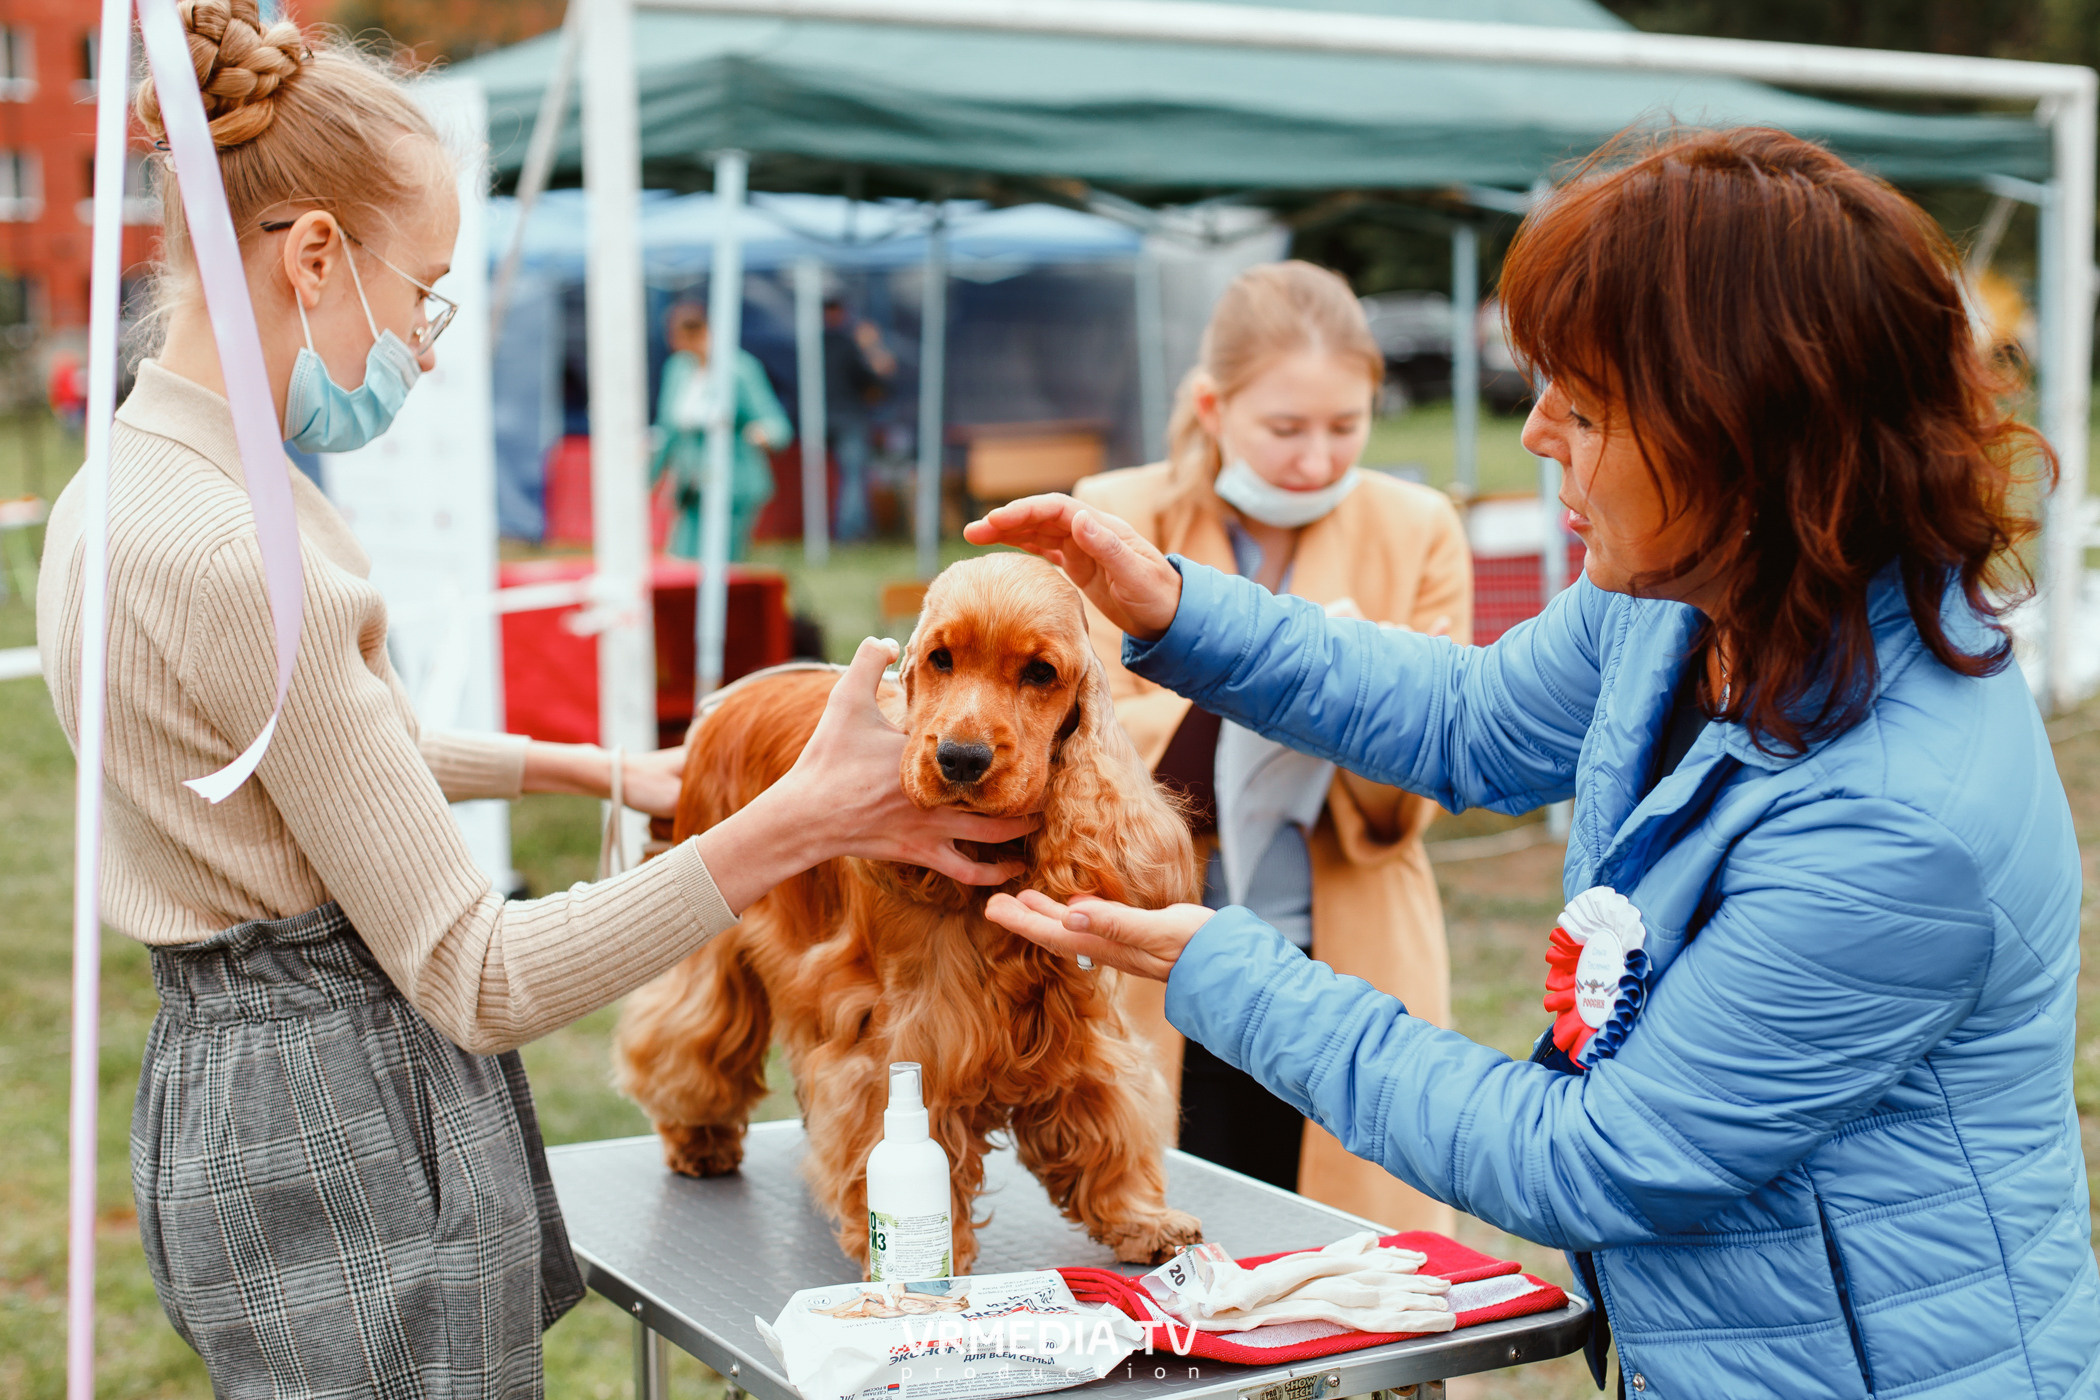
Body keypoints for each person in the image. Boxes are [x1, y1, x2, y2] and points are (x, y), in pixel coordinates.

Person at [970, 128, 2099, 1398]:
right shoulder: (1693, 600)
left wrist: (1227, 969)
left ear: (1744, 435)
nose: (1537, 430)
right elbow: (1475, 720)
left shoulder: (1896, 825)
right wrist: (1179, 609)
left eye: (1587, 402)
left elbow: (1590, 1159)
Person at [36, 5, 1031, 1394]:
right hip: (349, 1133)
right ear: (314, 255)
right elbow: (479, 975)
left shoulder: (119, 495)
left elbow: (310, 760)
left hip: (229, 1095)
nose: (428, 345)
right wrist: (793, 823)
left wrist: (598, 771)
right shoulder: (242, 556)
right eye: (425, 294)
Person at [1069, 260, 1470, 1231]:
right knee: (1171, 1234)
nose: (1317, 459)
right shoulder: (1112, 515)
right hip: (1165, 956)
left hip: (1350, 959)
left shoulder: (1418, 527)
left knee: (1351, 1248)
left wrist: (1324, 697)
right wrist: (1299, 684)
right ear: (1214, 407)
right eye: (1286, 429)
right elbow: (1086, 741)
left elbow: (1430, 767)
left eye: (1346, 426)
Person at [650, 299, 792, 561]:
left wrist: (764, 434)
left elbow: (775, 423)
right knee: (681, 558)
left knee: (720, 561)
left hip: (732, 480)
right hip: (691, 484)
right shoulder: (678, 369)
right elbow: (667, 428)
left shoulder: (739, 369)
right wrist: (648, 476)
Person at [823, 296, 895, 541]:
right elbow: (875, 382)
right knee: (854, 475)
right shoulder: (847, 344)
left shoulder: (810, 345)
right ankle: (850, 533)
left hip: (822, 419)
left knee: (841, 475)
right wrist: (872, 346)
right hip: (848, 418)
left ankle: (844, 530)